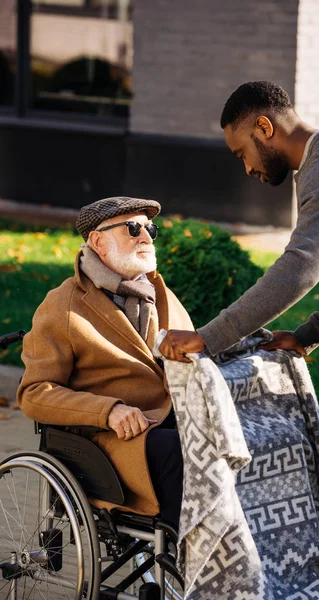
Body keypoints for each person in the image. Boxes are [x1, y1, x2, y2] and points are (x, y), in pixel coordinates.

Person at [159, 80, 319, 599]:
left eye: (242, 150)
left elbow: (301, 268)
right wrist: (308, 334)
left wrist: (209, 336)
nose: (245, 166)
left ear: (265, 127)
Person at [17, 196, 193, 528]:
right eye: (132, 228)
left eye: (150, 229)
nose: (145, 237)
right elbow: (35, 393)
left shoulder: (159, 293)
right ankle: (189, 556)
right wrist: (107, 411)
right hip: (106, 442)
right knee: (181, 451)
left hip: (167, 420)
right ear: (98, 241)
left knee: (233, 442)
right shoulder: (64, 304)